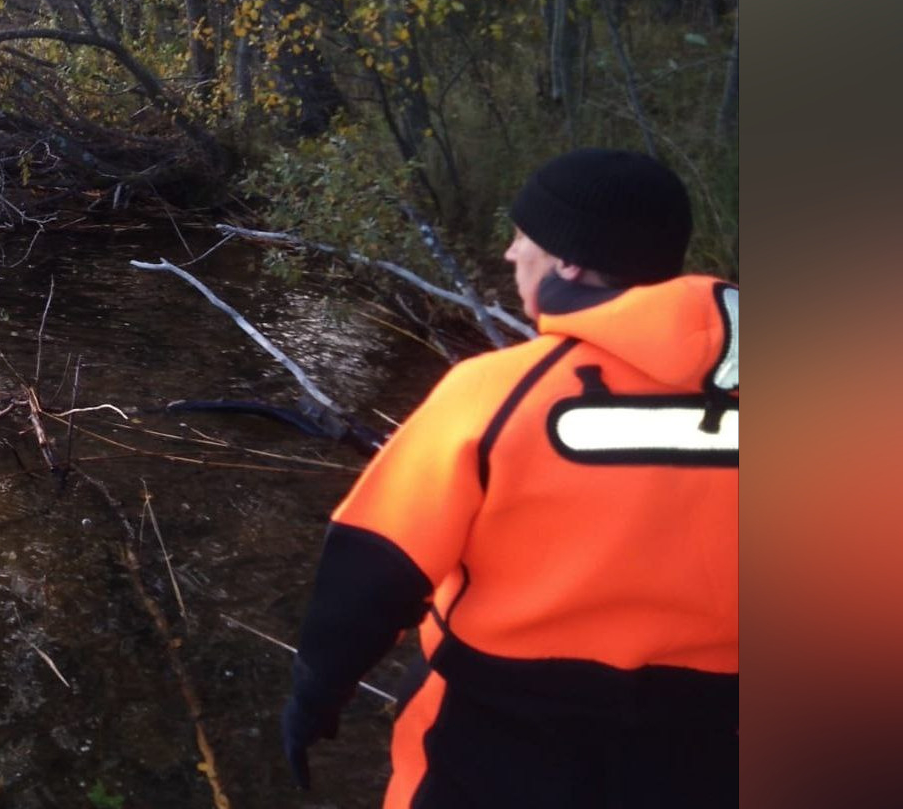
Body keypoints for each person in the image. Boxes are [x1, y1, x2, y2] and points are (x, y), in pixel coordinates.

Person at [280, 148, 738, 807]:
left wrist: (317, 693)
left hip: (493, 740)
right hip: (717, 752)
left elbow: (373, 566)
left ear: (570, 262)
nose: (508, 254)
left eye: (524, 236)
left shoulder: (495, 394)